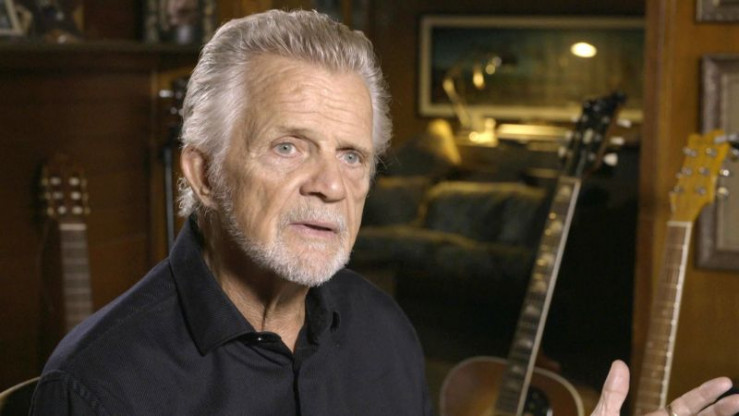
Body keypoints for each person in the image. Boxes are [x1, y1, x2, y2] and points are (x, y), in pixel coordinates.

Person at [29, 9, 739, 416]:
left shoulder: (384, 331)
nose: (330, 186)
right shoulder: (99, 388)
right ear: (204, 173)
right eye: (288, 146)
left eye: (352, 155)